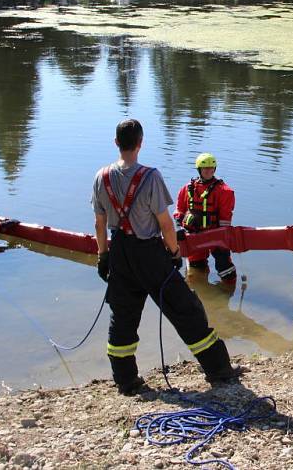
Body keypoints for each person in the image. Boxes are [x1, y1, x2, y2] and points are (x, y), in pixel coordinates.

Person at [92, 119, 240, 395]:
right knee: (187, 309)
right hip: (148, 251)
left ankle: (126, 380)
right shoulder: (150, 176)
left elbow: (99, 224)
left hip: (119, 252)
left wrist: (103, 257)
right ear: (141, 143)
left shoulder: (101, 177)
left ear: (116, 143)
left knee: (122, 316)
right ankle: (219, 370)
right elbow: (165, 224)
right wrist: (173, 253)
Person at [173, 153, 237, 281]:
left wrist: (223, 239)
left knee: (226, 270)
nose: (208, 171)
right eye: (205, 168)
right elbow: (179, 211)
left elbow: (225, 218)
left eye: (211, 168)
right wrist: (179, 228)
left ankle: (229, 288)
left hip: (215, 235)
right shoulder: (187, 189)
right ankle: (203, 293)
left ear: (215, 169)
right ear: (199, 170)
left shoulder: (224, 191)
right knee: (196, 269)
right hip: (193, 234)